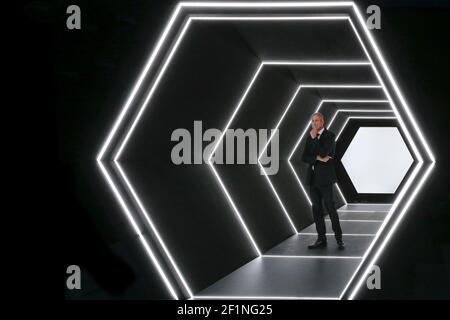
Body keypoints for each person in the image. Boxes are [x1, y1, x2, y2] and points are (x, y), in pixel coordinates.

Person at [301, 112, 345, 250]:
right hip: (313, 179)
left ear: (322, 122)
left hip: (325, 179)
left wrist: (315, 140)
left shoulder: (329, 135)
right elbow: (304, 157)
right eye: (313, 120)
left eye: (317, 120)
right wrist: (317, 158)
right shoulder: (310, 137)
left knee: (330, 208)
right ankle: (321, 239)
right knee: (317, 210)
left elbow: (325, 152)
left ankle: (339, 238)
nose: (314, 123)